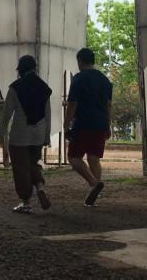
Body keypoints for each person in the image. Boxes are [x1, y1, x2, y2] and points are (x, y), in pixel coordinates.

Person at [0, 55, 52, 214]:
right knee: (33, 163)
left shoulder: (15, 88)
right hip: (38, 134)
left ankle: (26, 202)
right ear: (34, 68)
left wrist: (0, 134)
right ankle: (40, 186)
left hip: (20, 134)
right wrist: (46, 136)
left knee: (21, 168)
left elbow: (6, 114)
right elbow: (47, 114)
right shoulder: (44, 87)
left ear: (20, 70)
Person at [63, 48, 113, 206]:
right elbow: (108, 105)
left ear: (80, 61)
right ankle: (95, 193)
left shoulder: (78, 79)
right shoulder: (104, 80)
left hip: (84, 123)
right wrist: (107, 125)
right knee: (94, 158)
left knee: (74, 157)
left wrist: (66, 125)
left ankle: (93, 183)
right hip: (100, 124)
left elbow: (72, 104)